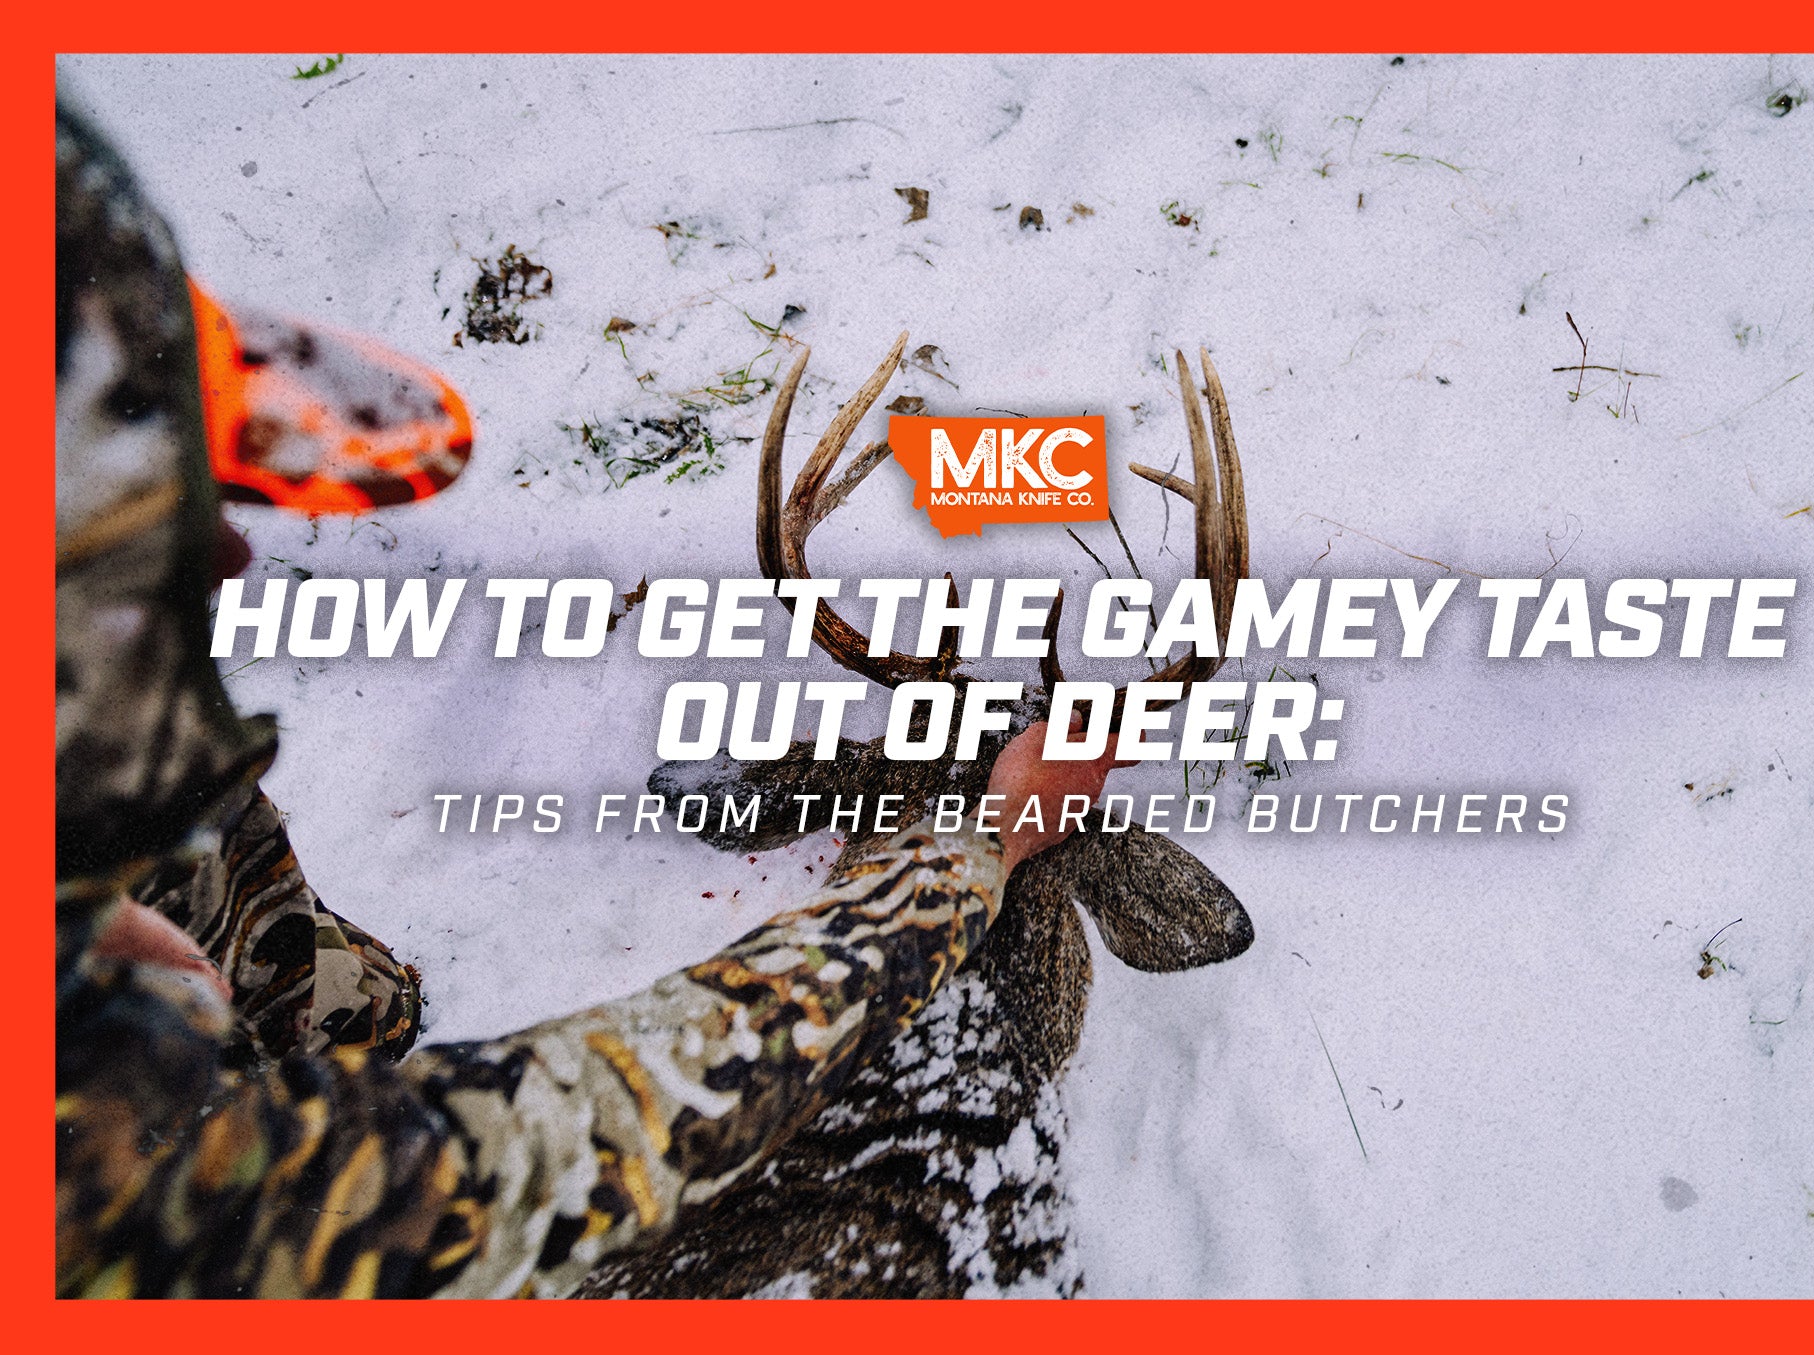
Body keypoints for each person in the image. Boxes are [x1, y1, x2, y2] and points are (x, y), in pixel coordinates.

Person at [55, 101, 1118, 1298]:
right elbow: (558, 1143)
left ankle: (339, 1006)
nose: (234, 556)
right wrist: (975, 843)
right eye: (129, 528)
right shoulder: (100, 1178)